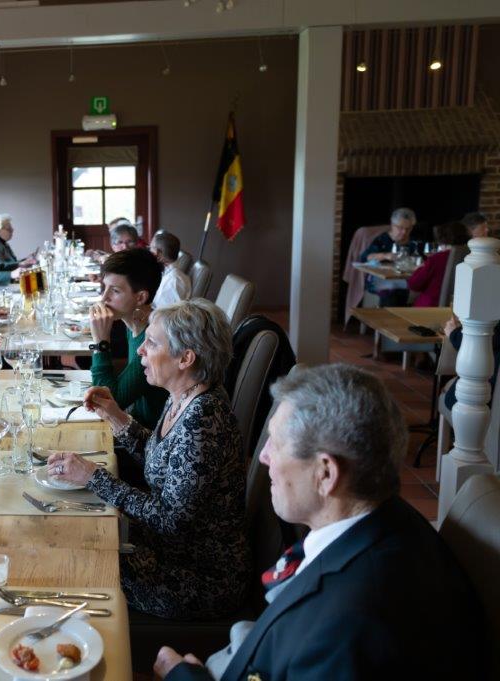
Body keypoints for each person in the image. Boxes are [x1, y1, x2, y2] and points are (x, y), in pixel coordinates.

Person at [154, 364, 487, 681]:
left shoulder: (350, 622)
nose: (264, 456)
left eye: (275, 443)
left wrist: (182, 676)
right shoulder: (381, 516)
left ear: (326, 473)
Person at [49, 299, 248, 619]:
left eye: (152, 343)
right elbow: (163, 461)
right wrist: (115, 416)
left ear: (186, 358)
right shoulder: (185, 395)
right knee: (66, 533)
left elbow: (170, 520)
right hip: (168, 549)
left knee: (74, 563)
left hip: (195, 574)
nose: (140, 349)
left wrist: (93, 476)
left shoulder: (203, 420)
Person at [89, 248, 169, 425]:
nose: (103, 298)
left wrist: (100, 343)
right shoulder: (134, 324)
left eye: (115, 291)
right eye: (104, 288)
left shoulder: (152, 341)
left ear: (140, 297)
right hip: (133, 420)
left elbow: (109, 402)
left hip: (146, 434)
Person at [360, 207, 417, 306]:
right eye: (400, 228)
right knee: (392, 292)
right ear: (392, 225)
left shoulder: (413, 243)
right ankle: (389, 315)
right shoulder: (382, 240)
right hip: (380, 280)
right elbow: (365, 257)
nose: (404, 232)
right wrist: (385, 256)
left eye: (408, 229)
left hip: (403, 279)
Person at [407, 221, 469, 307]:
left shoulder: (437, 258)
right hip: (462, 307)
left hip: (431, 307)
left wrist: (420, 268)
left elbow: (414, 284)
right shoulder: (470, 256)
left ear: (442, 238)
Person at [150, 231, 191, 307]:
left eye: (150, 248)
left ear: (157, 253)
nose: (149, 252)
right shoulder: (165, 273)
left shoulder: (173, 282)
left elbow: (165, 313)